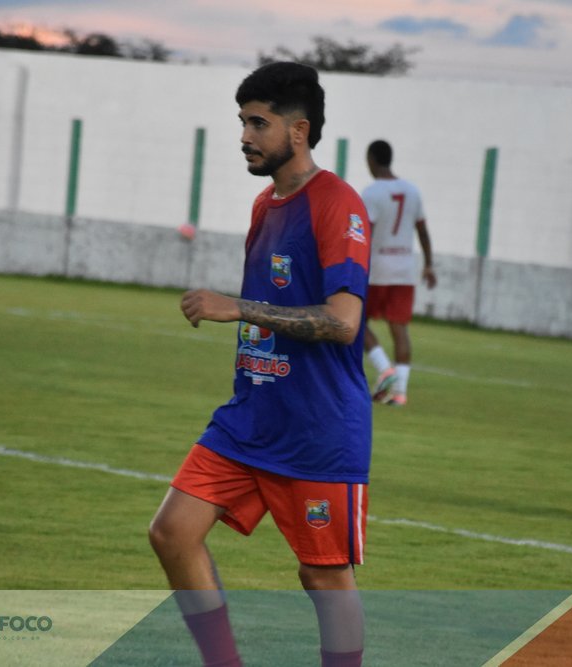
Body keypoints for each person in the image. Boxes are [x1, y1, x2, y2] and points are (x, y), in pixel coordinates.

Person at [148, 62, 371, 667]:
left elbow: (343, 321)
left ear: (298, 131)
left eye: (258, 123)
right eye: (242, 122)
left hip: (316, 428)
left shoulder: (337, 204)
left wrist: (238, 308)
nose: (244, 136)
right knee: (172, 532)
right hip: (250, 417)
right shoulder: (265, 205)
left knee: (321, 575)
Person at [360, 140, 436, 406]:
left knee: (356, 321)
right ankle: (400, 393)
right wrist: (429, 264)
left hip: (377, 269)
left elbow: (365, 233)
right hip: (404, 269)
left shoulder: (371, 193)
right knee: (400, 329)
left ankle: (384, 369)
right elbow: (422, 230)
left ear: (372, 159)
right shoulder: (412, 191)